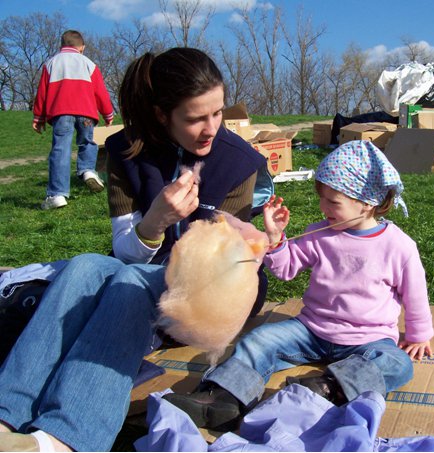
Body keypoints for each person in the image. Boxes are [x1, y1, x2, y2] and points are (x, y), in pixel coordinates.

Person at [0, 47, 270, 452]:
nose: (211, 128)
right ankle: (7, 415)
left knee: (130, 281)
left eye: (217, 113)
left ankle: (66, 437)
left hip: (209, 293)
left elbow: (222, 278)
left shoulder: (238, 163)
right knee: (84, 266)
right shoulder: (127, 153)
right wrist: (155, 220)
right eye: (195, 118)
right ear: (162, 115)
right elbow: (125, 251)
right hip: (139, 273)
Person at [164, 140, 434, 431]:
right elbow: (286, 269)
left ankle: (326, 388)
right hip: (312, 330)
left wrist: (419, 335)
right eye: (322, 198)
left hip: (368, 338)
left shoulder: (398, 246)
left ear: (367, 202)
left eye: (333, 202)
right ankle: (223, 398)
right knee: (259, 340)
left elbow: (415, 294)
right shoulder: (319, 234)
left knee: (397, 364)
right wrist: (275, 238)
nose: (323, 207)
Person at [32, 30, 115, 210]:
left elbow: (42, 93)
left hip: (61, 112)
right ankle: (87, 170)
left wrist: (38, 117)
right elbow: (100, 92)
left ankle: (57, 194)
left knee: (61, 149)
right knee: (87, 141)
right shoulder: (89, 64)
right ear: (82, 47)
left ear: (61, 45)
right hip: (87, 113)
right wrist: (108, 114)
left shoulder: (51, 63)